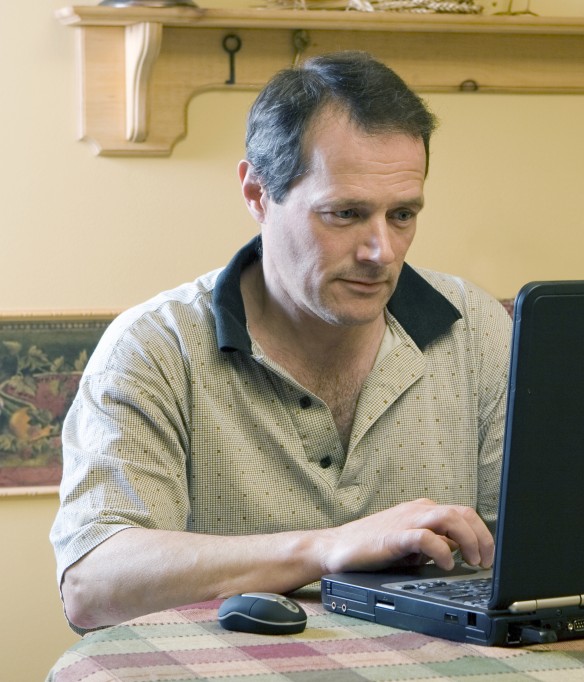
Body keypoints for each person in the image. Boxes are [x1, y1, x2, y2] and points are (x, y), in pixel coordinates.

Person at [50, 51, 512, 632]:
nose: (382, 252)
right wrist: (327, 548)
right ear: (256, 193)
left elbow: (537, 546)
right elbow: (92, 585)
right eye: (345, 213)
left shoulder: (475, 329)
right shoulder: (154, 348)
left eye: (402, 215)